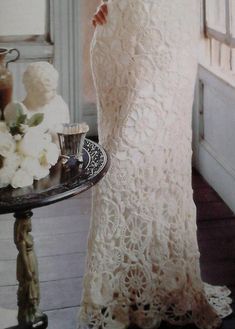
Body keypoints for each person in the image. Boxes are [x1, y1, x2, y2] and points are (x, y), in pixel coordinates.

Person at [78, 1, 232, 329]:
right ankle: (124, 282)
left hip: (170, 30)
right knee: (120, 157)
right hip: (125, 26)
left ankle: (166, 280)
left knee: (160, 156)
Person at [4, 62, 70, 142]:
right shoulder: (17, 112)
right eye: (48, 91)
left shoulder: (59, 105)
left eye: (54, 89)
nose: (54, 94)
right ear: (31, 90)